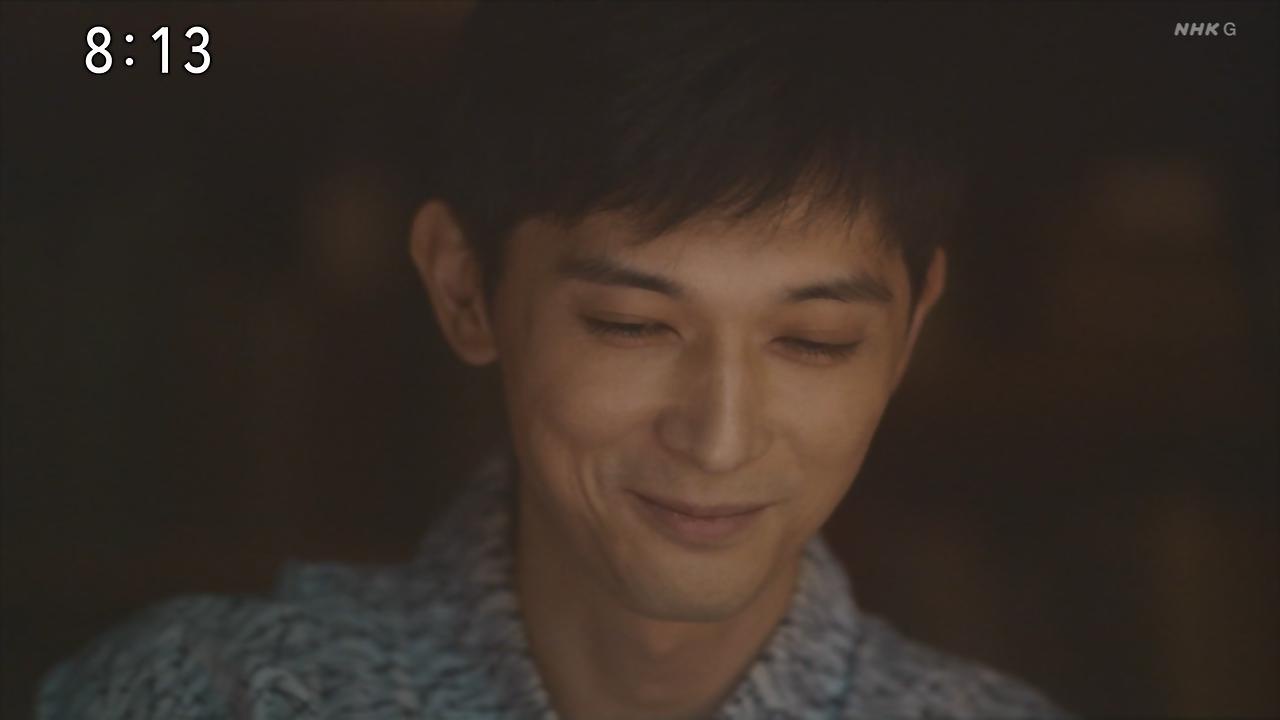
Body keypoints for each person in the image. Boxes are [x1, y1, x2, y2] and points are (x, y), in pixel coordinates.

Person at [38, 3, 1071, 718]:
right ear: (463, 288)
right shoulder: (198, 697)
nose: (719, 440)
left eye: (814, 341)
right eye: (630, 324)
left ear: (910, 329)